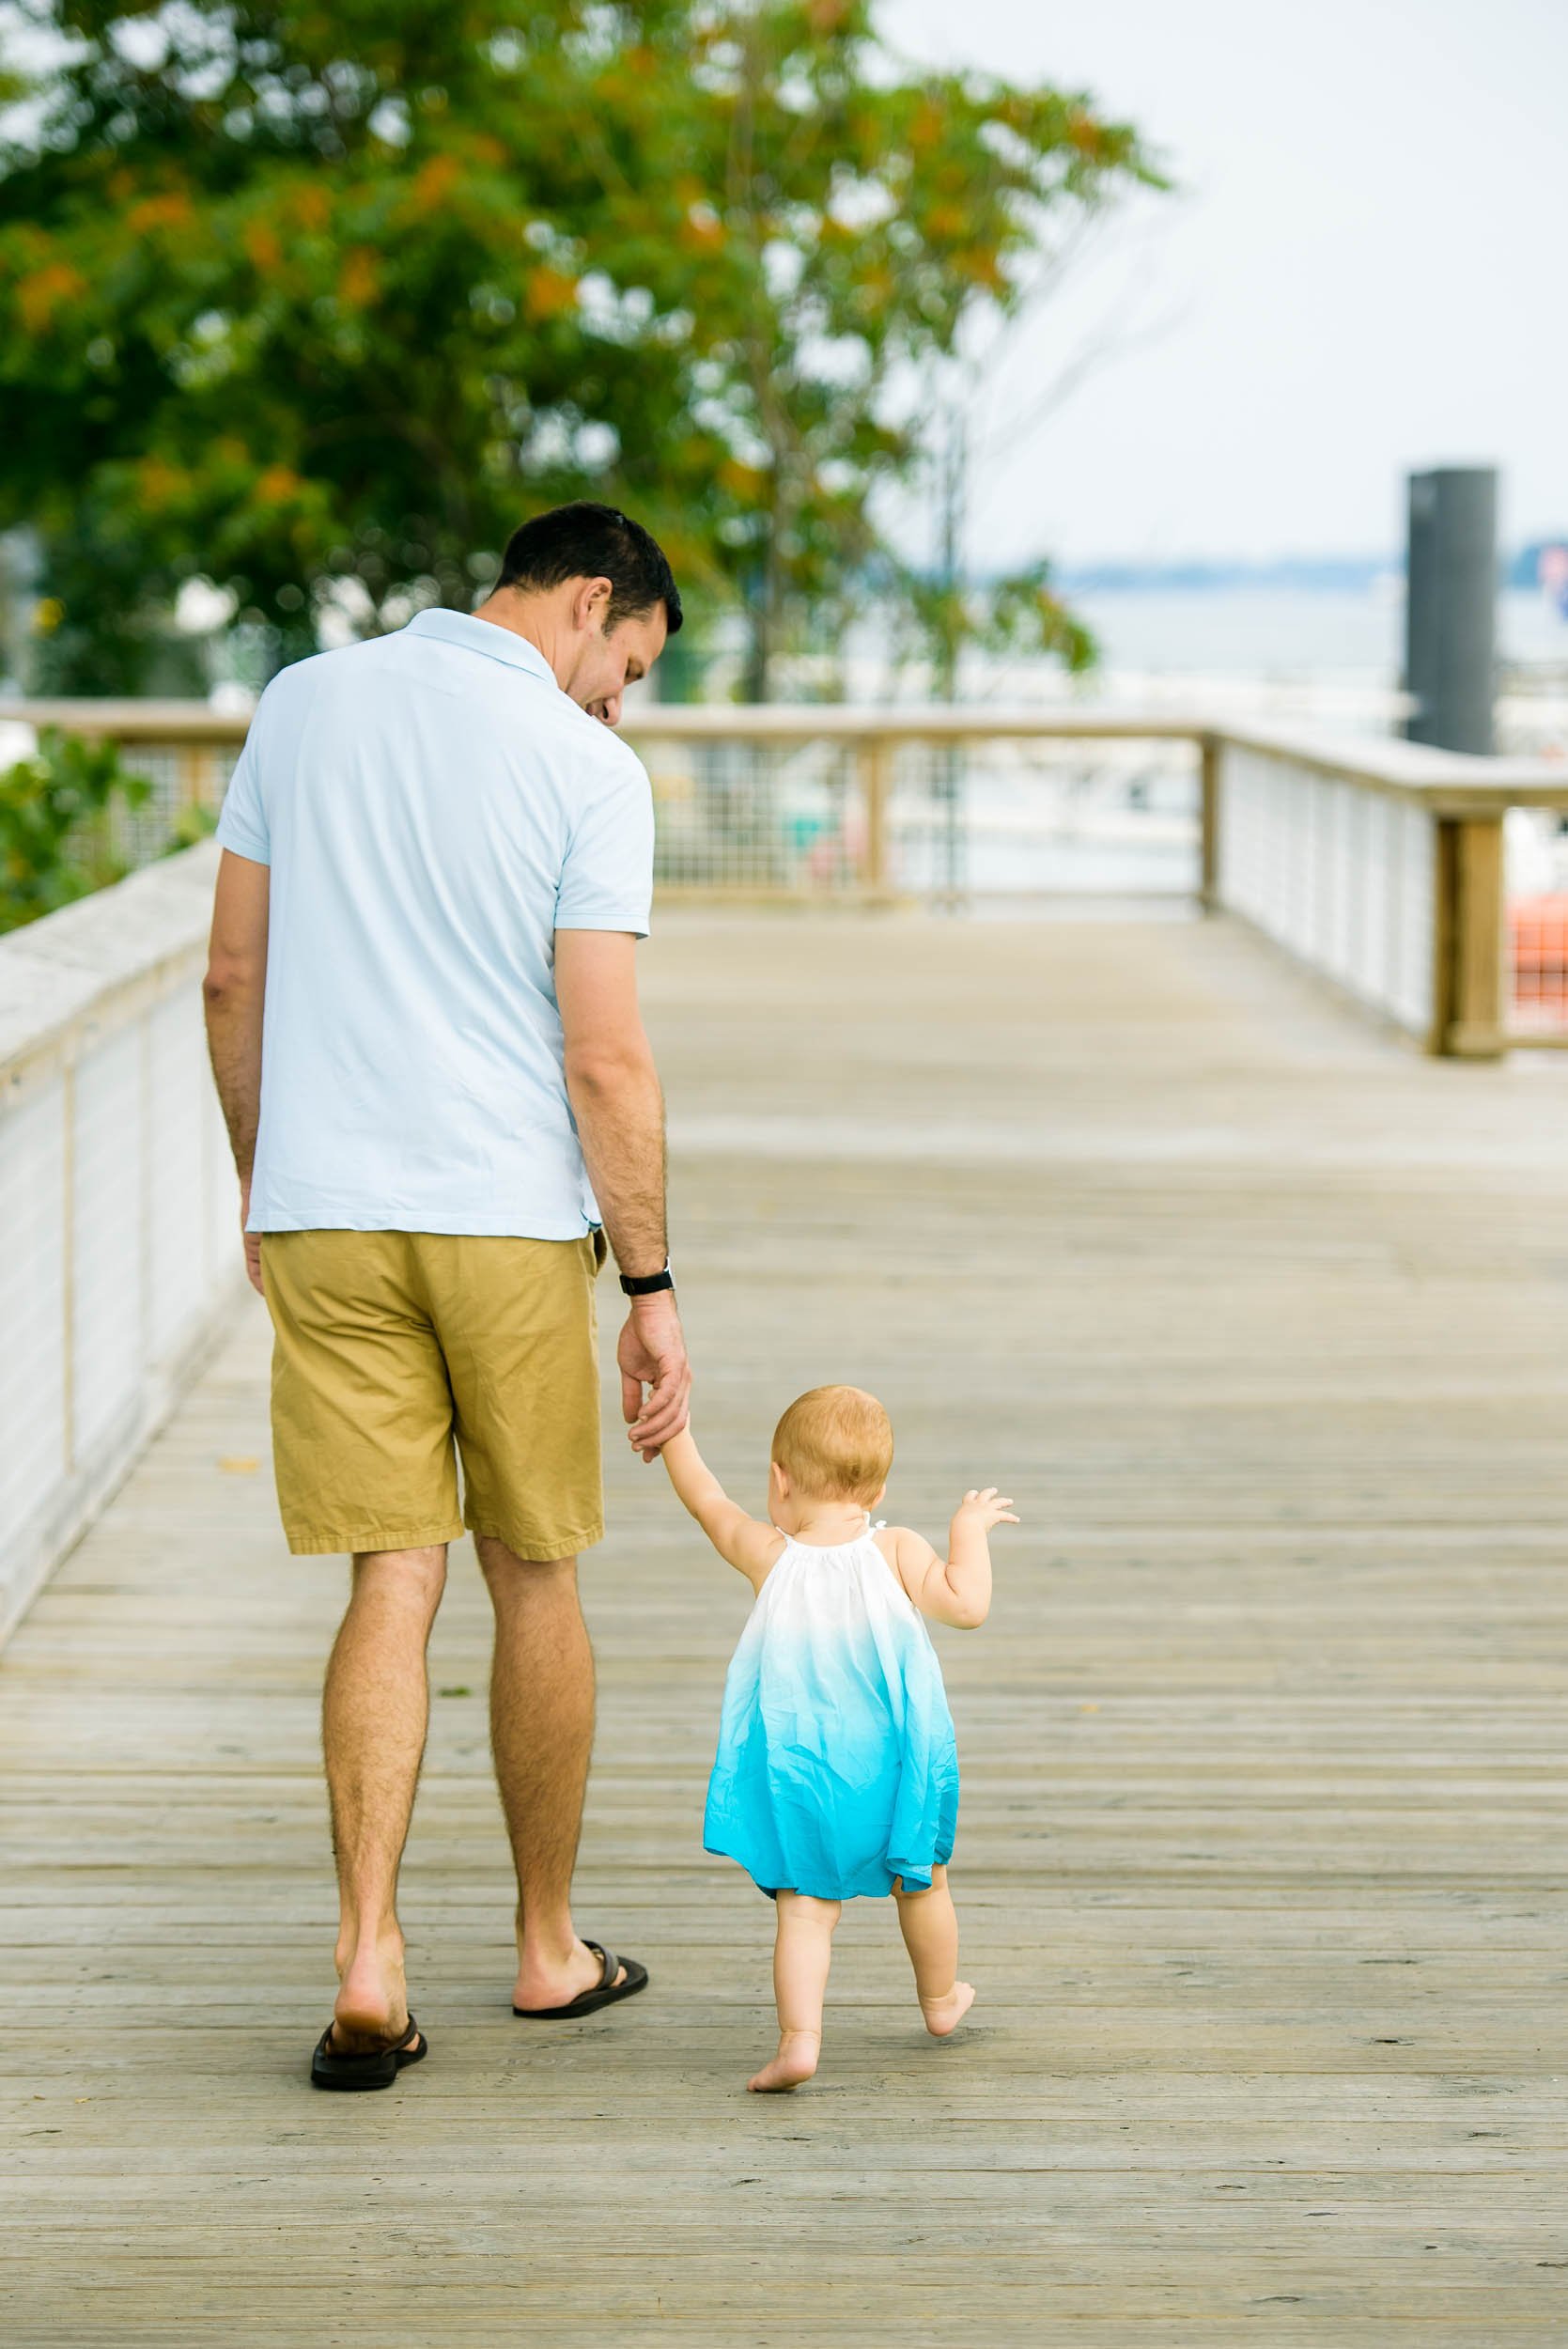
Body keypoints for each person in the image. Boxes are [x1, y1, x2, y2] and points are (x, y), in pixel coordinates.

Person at [202, 503, 691, 2092]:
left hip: (327, 1210)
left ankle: (366, 1951)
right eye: (623, 670)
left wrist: (263, 1181)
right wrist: (651, 1282)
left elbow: (229, 976)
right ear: (586, 603)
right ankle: (546, 1952)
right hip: (500, 1220)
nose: (617, 705)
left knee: (387, 1583)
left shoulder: (301, 701)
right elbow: (603, 1054)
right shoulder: (583, 773)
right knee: (533, 1570)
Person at [659, 1385, 1016, 2092]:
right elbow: (967, 1606)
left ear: (778, 1479)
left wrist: (671, 1432)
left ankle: (799, 2040)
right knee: (924, 1884)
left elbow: (705, 1500)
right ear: (877, 1486)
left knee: (804, 1908)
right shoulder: (896, 1551)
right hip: (896, 1771)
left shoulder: (769, 1554)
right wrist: (967, 1531)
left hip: (802, 1772)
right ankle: (939, 2001)